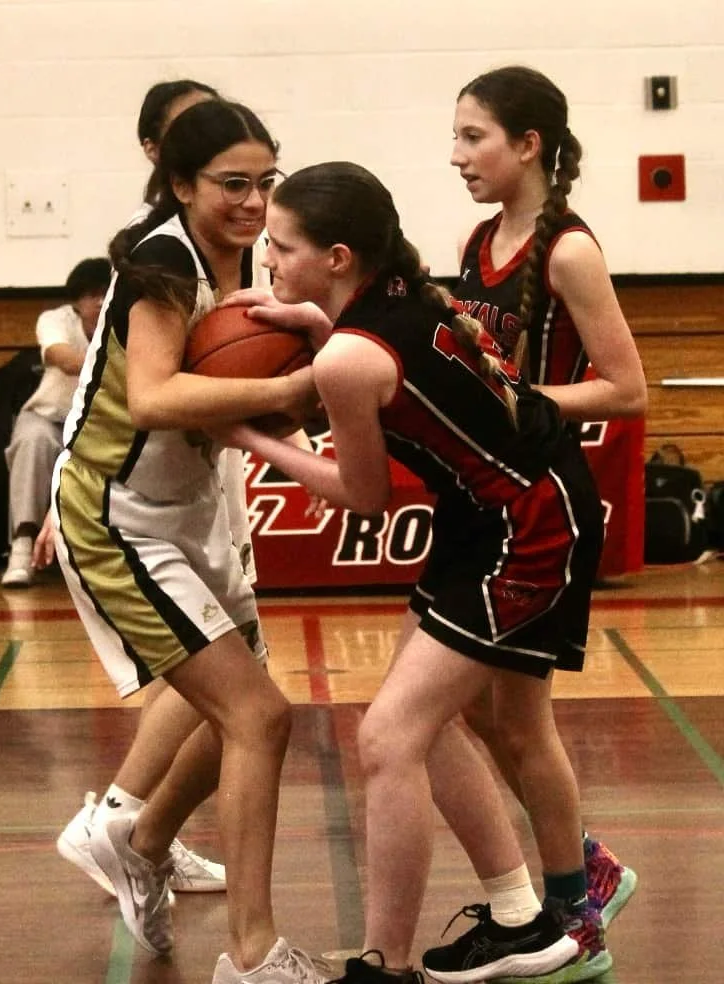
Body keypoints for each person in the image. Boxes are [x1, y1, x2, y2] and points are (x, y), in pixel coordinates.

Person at [217, 161, 610, 983]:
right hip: (497, 514)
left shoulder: (349, 359)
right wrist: (308, 319)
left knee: (389, 737)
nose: (268, 259)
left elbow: (361, 498)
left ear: (337, 257)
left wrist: (248, 438)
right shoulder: (398, 293)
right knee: (424, 727)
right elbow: (380, 357)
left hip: (525, 531)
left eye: (282, 248)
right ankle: (522, 919)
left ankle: (386, 964)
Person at [52, 99, 326, 983]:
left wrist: (306, 387)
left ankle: (141, 838)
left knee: (241, 711)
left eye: (265, 183)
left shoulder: (252, 256)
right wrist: (288, 390)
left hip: (189, 503)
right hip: (117, 510)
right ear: (181, 184)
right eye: (232, 184)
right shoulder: (164, 255)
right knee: (259, 715)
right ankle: (251, 954)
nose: (253, 202)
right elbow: (159, 398)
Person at [446, 64, 645, 938]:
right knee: (477, 709)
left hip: (545, 506)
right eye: (456, 136)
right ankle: (583, 855)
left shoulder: (568, 249)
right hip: (488, 498)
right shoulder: (477, 244)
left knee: (521, 720)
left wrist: (525, 402)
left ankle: (573, 909)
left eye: (472, 136)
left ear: (528, 145)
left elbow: (627, 387)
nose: (457, 154)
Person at [1, 258, 111, 587]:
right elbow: (61, 358)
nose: (102, 302)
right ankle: (21, 550)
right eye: (93, 295)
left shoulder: (127, 320)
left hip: (98, 424)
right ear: (76, 301)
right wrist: (113, 363)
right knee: (32, 441)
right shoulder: (55, 320)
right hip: (48, 417)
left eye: (108, 293)